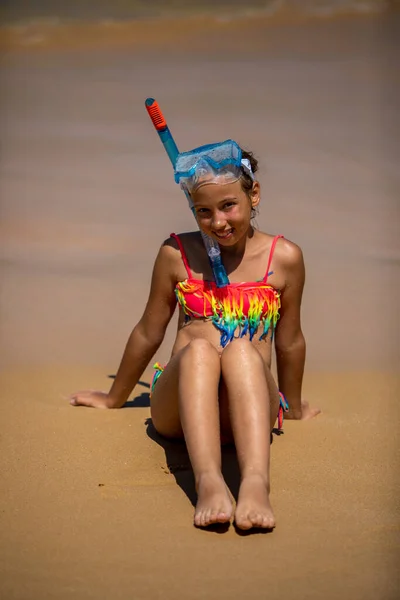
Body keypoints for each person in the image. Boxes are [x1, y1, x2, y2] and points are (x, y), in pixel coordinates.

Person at [70, 139, 320, 530]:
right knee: (201, 351)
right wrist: (114, 397)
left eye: (228, 206)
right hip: (180, 409)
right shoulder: (176, 253)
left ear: (253, 194)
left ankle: (255, 483)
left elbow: (290, 341)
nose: (218, 222)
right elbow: (148, 331)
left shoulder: (284, 257)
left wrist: (296, 406)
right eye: (203, 211)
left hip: (250, 403)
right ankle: (209, 481)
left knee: (240, 349)